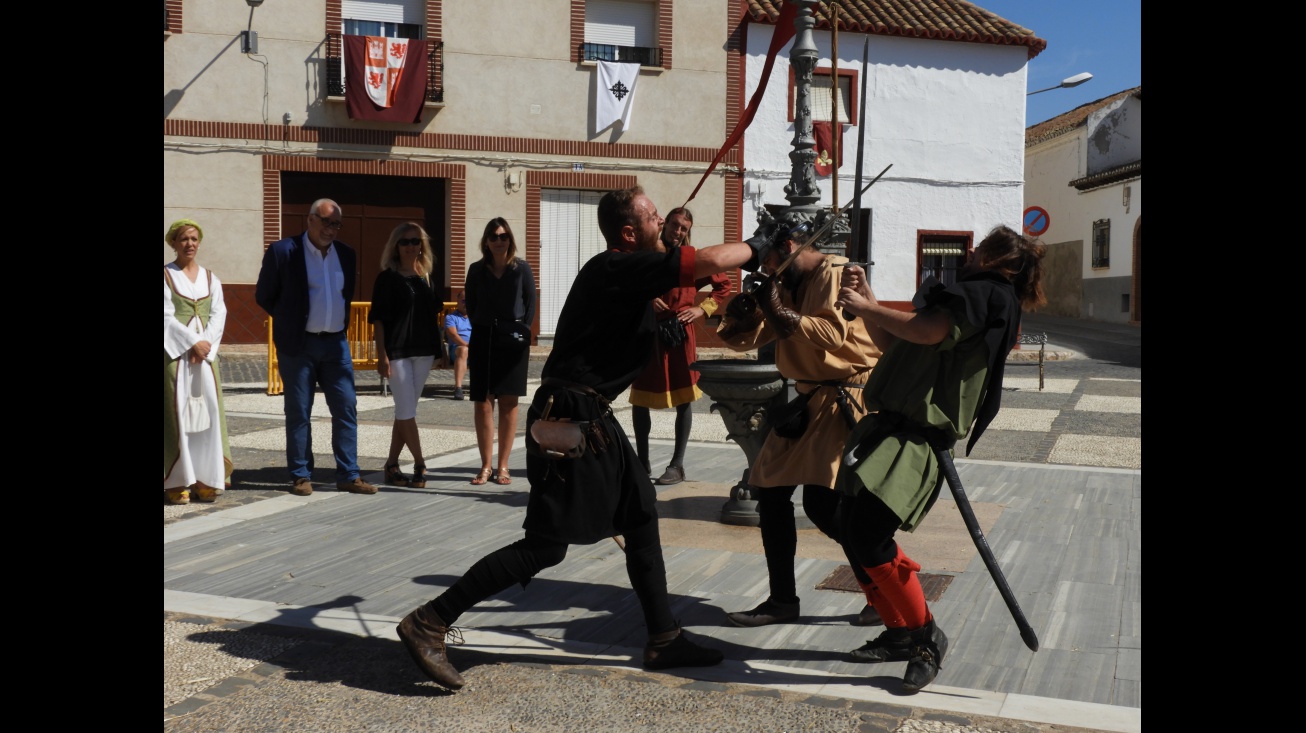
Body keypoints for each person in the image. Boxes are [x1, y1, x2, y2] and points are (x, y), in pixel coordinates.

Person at [395, 185, 764, 691]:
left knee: (640, 513)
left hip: (592, 414)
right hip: (569, 415)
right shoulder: (618, 265)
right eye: (656, 216)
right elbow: (709, 261)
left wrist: (664, 330)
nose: (664, 222)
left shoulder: (629, 281)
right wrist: (760, 245)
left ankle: (663, 637)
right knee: (546, 547)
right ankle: (429, 622)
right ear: (630, 232)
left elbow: (620, 340)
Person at [833, 225, 1047, 692]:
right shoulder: (965, 297)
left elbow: (927, 333)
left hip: (915, 438)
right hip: (887, 428)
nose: (971, 256)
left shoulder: (989, 296)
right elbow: (898, 340)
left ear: (996, 257)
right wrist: (869, 301)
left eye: (980, 249)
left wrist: (867, 306)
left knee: (869, 533)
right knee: (849, 525)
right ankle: (898, 631)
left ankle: (927, 636)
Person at [716, 218, 884, 629]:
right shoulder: (783, 283)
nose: (765, 269)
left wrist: (779, 310)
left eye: (769, 258)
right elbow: (744, 339)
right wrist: (737, 318)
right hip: (808, 399)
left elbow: (829, 334)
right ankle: (781, 601)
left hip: (846, 398)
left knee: (823, 505)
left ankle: (881, 589)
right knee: (769, 494)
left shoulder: (837, 272)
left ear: (791, 245)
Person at [255, 199, 378, 497]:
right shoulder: (284, 251)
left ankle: (349, 474)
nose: (331, 229)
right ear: (310, 220)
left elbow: (344, 296)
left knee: (346, 407)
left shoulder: (346, 254)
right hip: (298, 345)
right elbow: (264, 295)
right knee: (298, 411)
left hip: (336, 344)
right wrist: (289, 323)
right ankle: (300, 475)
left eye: (336, 223)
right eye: (326, 221)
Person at [628, 206, 731, 484]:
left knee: (684, 399)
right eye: (674, 225)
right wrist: (646, 299)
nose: (677, 231)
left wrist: (703, 310)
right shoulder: (646, 253)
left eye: (683, 228)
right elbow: (628, 283)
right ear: (665, 223)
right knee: (641, 399)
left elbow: (724, 286)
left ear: (688, 231)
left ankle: (677, 464)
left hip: (681, 334)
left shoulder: (692, 259)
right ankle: (642, 462)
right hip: (648, 331)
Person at [164, 219, 233, 504]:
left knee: (208, 416)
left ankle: (206, 479)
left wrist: (204, 345)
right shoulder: (166, 275)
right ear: (174, 243)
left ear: (199, 242)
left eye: (193, 239)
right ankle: (176, 481)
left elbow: (219, 313)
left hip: (204, 358)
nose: (189, 244)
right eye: (183, 239)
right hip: (175, 355)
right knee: (176, 415)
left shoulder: (210, 277)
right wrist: (191, 342)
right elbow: (165, 316)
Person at [370, 222, 442, 489]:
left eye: (416, 241)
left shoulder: (426, 277)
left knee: (406, 411)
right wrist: (381, 355)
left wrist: (440, 349)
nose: (411, 246)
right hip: (397, 351)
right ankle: (420, 463)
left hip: (423, 351)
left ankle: (391, 464)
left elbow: (432, 316)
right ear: (396, 246)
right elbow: (377, 320)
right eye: (405, 241)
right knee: (406, 410)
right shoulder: (387, 278)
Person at [464, 218, 535, 486]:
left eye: (503, 236)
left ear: (510, 240)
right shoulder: (476, 270)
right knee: (483, 402)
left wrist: (520, 330)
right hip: (484, 337)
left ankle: (503, 466)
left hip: (513, 339)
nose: (498, 240)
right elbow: (471, 304)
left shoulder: (522, 269)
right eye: (493, 236)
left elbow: (530, 304)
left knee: (509, 402)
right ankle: (485, 466)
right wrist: (485, 328)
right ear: (486, 241)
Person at [443, 291, 472, 400]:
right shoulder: (451, 317)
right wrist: (468, 345)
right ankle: (458, 388)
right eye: (464, 301)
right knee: (463, 350)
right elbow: (453, 335)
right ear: (458, 301)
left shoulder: (475, 317)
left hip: (475, 348)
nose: (466, 304)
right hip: (457, 349)